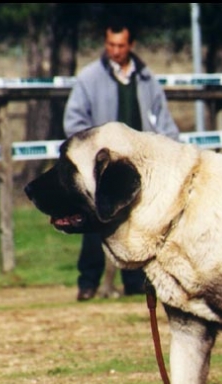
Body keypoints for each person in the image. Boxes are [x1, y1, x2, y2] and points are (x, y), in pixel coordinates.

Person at [64, 18, 180, 301]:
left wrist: (172, 151)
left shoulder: (145, 78)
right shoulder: (89, 78)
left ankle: (134, 282)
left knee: (138, 222)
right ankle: (88, 283)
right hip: (101, 167)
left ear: (131, 45)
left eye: (121, 45)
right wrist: (93, 151)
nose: (115, 50)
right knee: (94, 222)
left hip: (138, 166)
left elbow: (161, 120)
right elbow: (74, 120)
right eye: (111, 44)